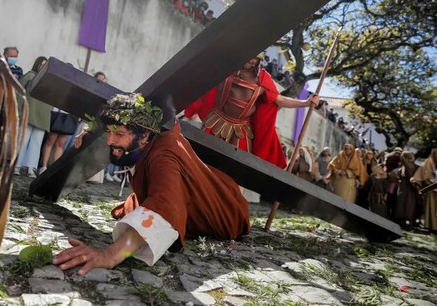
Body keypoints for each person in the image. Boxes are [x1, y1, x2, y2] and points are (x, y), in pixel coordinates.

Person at [54, 93, 250, 274]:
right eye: (108, 132)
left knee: (150, 208)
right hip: (183, 194)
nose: (109, 140)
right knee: (132, 207)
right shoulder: (147, 132)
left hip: (225, 213)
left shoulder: (164, 155)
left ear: (145, 135)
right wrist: (91, 131)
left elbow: (164, 205)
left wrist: (109, 255)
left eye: (119, 134)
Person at [184, 55, 319, 170]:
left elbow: (279, 100)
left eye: (255, 58)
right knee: (199, 163)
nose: (252, 60)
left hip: (241, 131)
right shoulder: (228, 68)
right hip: (216, 122)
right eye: (250, 56)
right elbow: (206, 80)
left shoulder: (262, 78)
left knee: (235, 171)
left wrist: (305, 103)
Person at [16, 56, 51, 177]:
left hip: (42, 117)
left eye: (45, 65)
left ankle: (31, 168)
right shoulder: (30, 76)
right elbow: (19, 93)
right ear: (37, 64)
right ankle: (16, 166)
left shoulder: (51, 81)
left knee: (36, 143)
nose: (42, 67)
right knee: (22, 141)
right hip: (28, 113)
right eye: (41, 64)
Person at [411, 148, 437, 233]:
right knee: (430, 208)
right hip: (430, 190)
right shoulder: (427, 163)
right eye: (435, 154)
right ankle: (430, 226)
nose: (436, 156)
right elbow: (419, 175)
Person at [393, 151, 419, 227]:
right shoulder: (405, 166)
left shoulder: (410, 166)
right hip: (404, 187)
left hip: (409, 188)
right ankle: (405, 220)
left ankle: (408, 220)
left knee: (408, 204)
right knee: (405, 204)